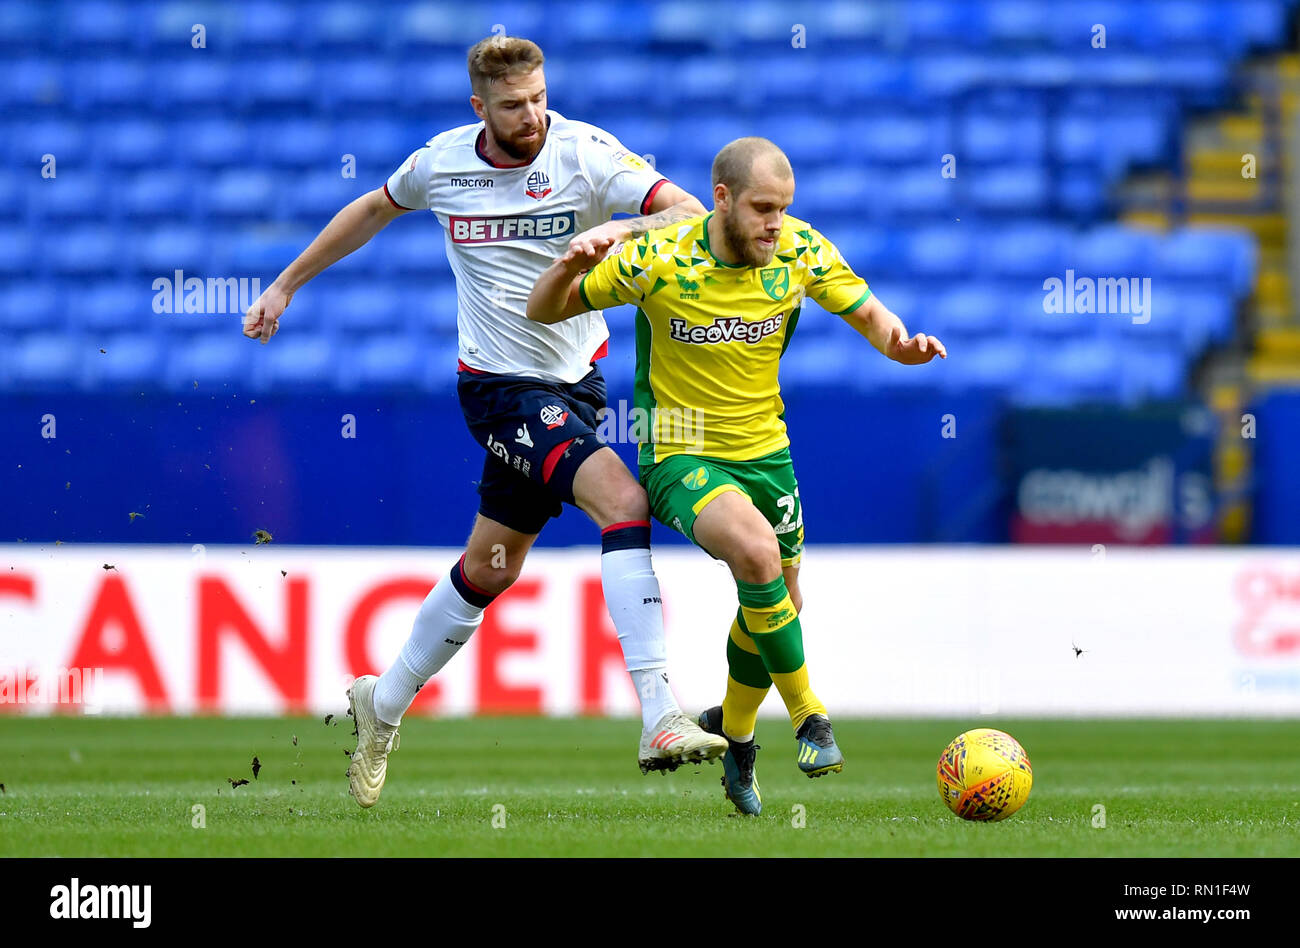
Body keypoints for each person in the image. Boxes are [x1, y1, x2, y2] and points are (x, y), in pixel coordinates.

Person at [242, 35, 725, 808]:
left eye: (537, 98)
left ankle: (382, 705)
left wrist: (621, 231)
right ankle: (660, 713)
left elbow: (690, 213)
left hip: (577, 386)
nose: (530, 115)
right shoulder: (443, 164)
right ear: (479, 108)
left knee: (493, 567)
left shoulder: (586, 153)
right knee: (623, 501)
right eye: (512, 106)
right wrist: (286, 286)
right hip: (498, 386)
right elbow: (372, 209)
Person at [527, 136, 946, 815]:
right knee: (757, 555)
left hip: (767, 455)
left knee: (781, 602)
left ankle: (738, 737)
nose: (774, 224)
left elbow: (870, 315)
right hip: (681, 452)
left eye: (782, 209)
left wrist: (902, 344)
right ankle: (811, 717)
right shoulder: (659, 260)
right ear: (721, 199)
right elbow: (545, 309)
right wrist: (568, 262)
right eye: (762, 208)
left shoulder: (799, 251)